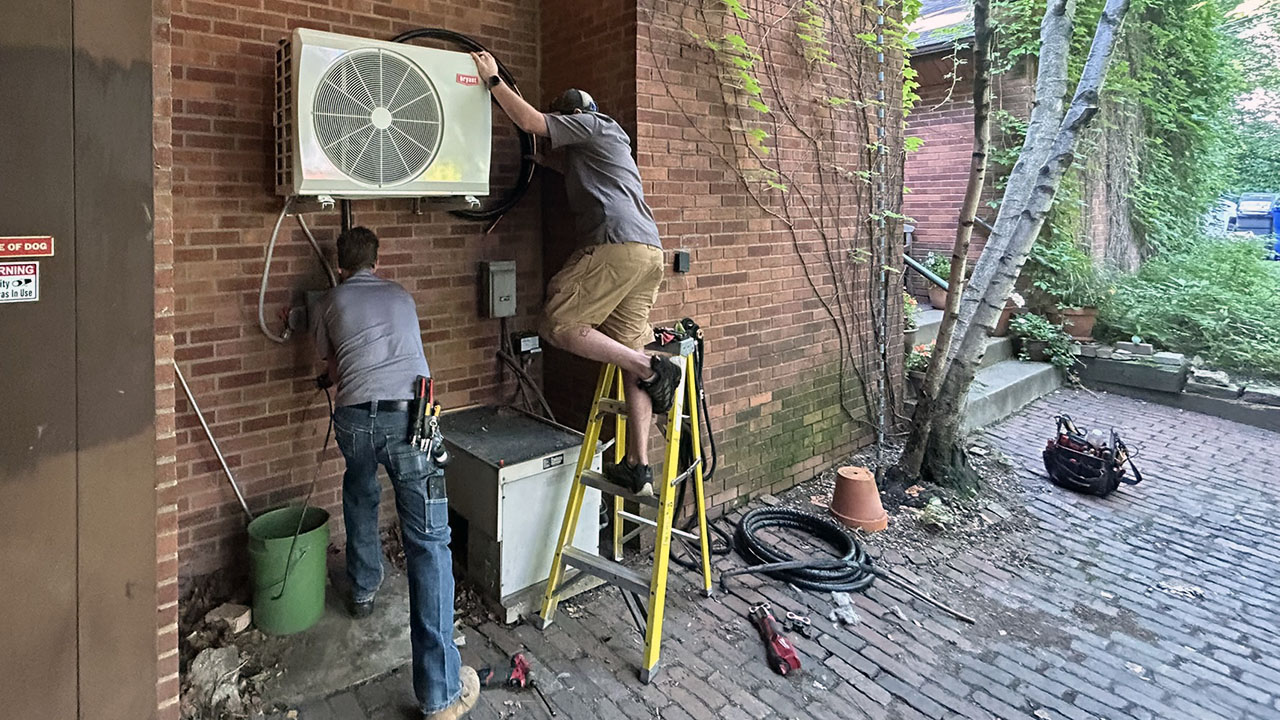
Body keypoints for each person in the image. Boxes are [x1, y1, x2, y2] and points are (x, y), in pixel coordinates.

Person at [471, 52, 682, 496]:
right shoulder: (607, 145)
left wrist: (492, 80)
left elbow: (531, 121)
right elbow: (548, 155)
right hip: (649, 254)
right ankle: (638, 467)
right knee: (627, 348)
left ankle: (650, 366)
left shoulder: (593, 124)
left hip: (616, 245)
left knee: (558, 322)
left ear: (573, 117)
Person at [313, 227, 478, 720]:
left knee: (359, 487)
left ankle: (363, 588)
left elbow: (327, 370)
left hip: (354, 422)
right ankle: (439, 693)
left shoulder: (329, 301)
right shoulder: (402, 296)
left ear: (340, 264)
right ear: (376, 261)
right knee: (428, 543)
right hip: (410, 421)